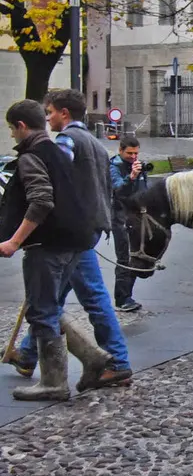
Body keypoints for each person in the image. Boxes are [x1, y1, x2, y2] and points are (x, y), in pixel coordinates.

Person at [9, 89, 134, 389]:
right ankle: (27, 354)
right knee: (51, 299)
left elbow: (55, 181)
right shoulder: (96, 143)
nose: (48, 117)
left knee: (90, 297)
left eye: (50, 112)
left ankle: (116, 361)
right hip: (88, 227)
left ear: (64, 113)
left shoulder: (65, 141)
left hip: (72, 231)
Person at [0, 100, 93, 400]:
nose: (13, 135)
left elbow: (41, 201)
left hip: (48, 244)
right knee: (50, 307)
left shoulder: (32, 156)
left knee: (42, 312)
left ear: (22, 126)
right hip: (74, 240)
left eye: (12, 129)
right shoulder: (56, 151)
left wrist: (14, 240)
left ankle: (53, 382)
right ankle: (94, 358)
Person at [109, 136, 149, 312]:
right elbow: (118, 190)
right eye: (129, 153)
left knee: (136, 256)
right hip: (120, 217)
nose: (133, 157)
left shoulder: (139, 165)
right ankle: (122, 298)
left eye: (136, 153)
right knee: (124, 257)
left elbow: (144, 190)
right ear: (120, 150)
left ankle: (128, 295)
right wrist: (131, 177)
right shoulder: (114, 167)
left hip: (138, 216)